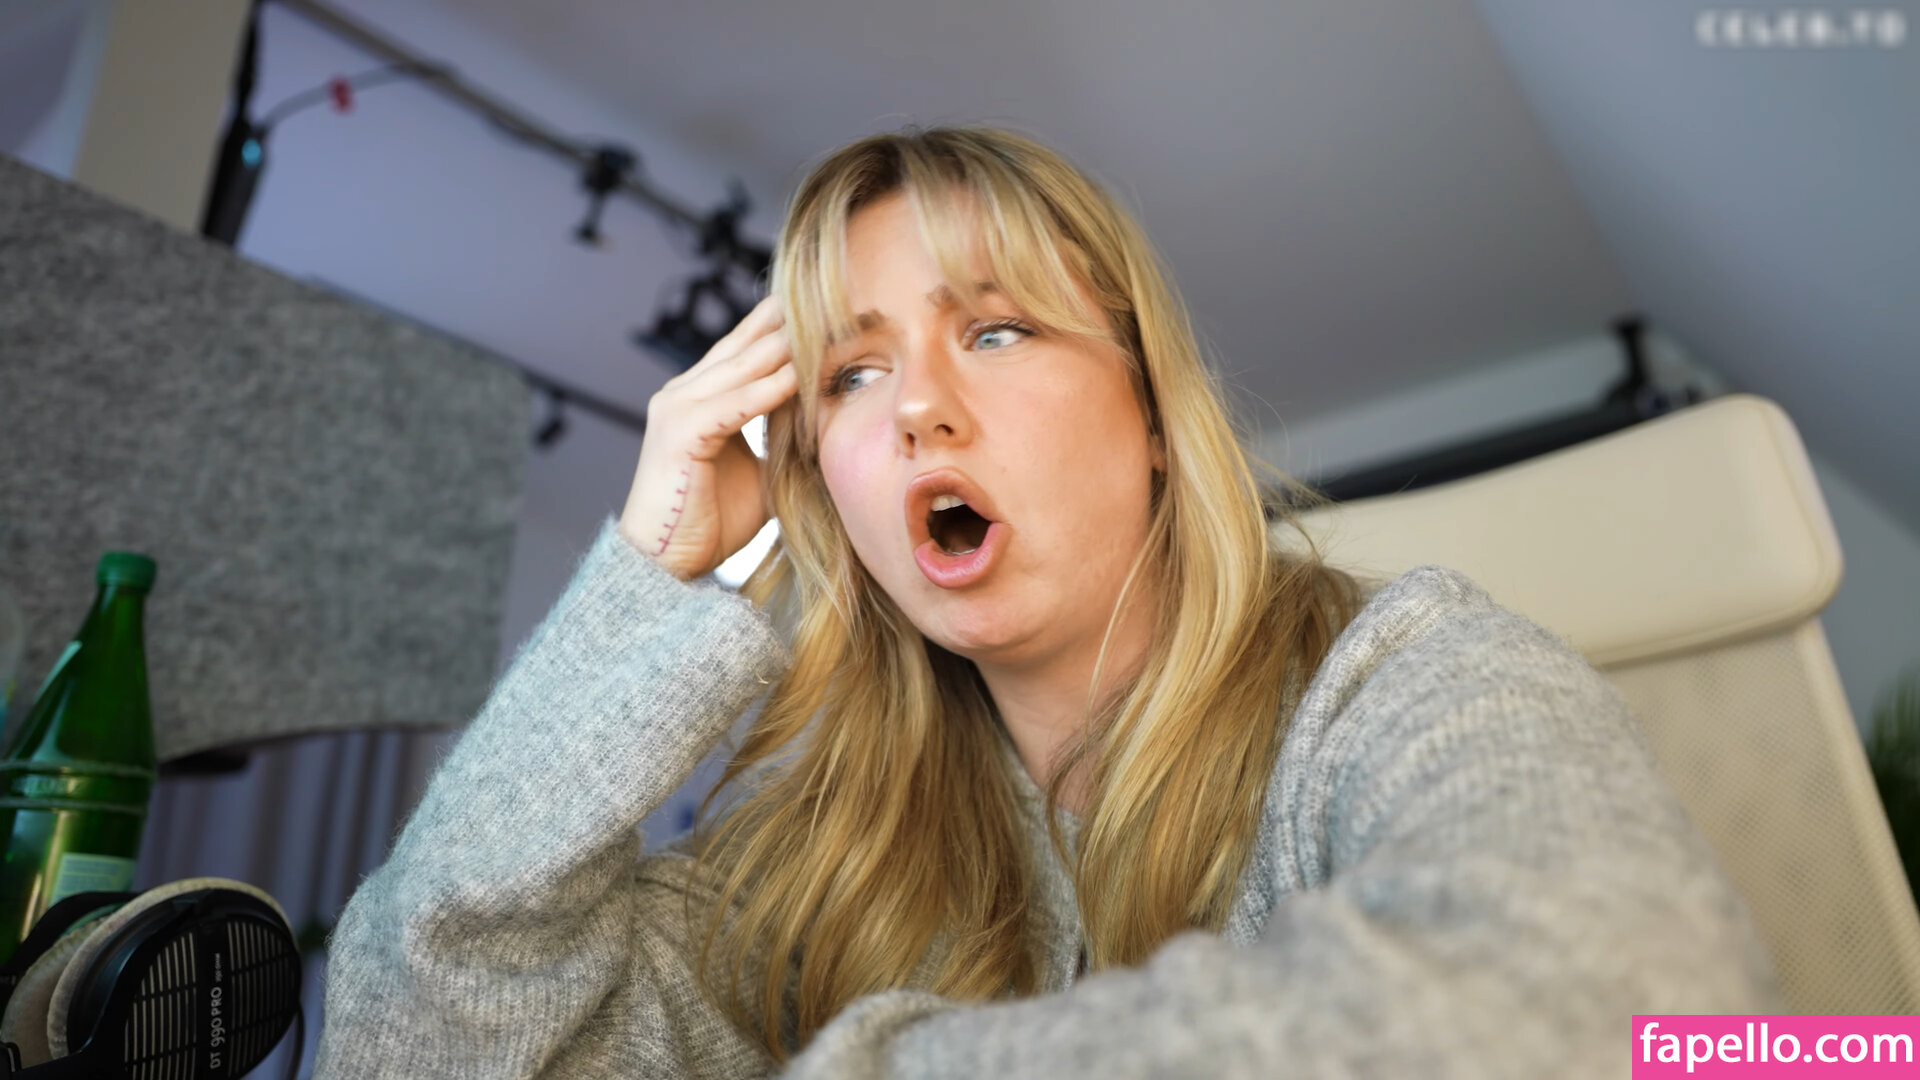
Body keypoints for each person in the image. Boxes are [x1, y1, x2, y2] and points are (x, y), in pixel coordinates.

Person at [313, 126, 1780, 1079]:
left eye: (999, 330)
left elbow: (1638, 1003)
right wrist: (650, 582)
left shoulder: (1402, 676)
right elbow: (405, 1045)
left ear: (1152, 415)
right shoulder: (817, 866)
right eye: (853, 372)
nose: (917, 410)